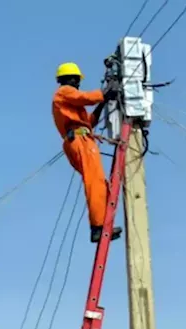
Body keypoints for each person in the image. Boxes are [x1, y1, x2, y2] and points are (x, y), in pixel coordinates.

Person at [51, 62, 122, 243]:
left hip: (81, 139)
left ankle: (101, 224)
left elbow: (89, 121)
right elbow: (86, 98)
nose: (78, 82)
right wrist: (105, 92)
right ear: (67, 79)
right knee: (95, 182)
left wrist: (104, 99)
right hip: (80, 141)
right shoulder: (64, 92)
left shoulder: (70, 102)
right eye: (76, 79)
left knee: (98, 181)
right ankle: (97, 227)